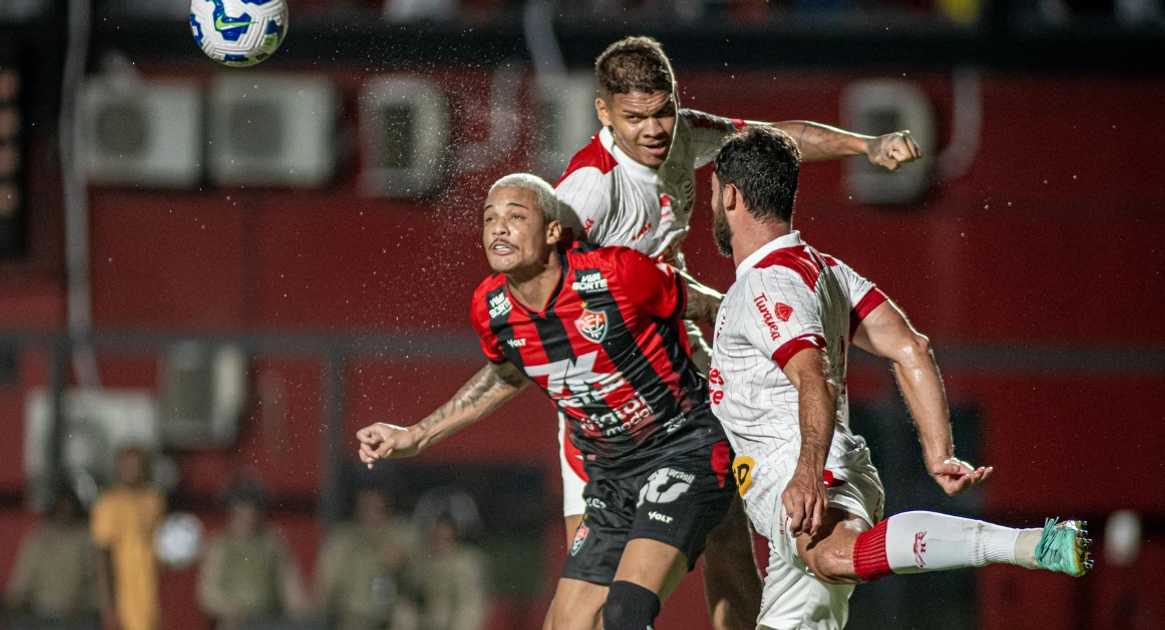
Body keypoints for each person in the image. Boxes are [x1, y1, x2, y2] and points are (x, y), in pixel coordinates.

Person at [552, 35, 923, 629]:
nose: (654, 130)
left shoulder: (682, 135)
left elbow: (776, 140)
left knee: (728, 526)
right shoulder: (589, 190)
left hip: (675, 370)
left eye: (663, 111)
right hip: (605, 396)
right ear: (603, 113)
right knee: (590, 596)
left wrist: (866, 144)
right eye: (635, 118)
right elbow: (555, 293)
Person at [705, 125, 1092, 630]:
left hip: (807, 482)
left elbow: (814, 377)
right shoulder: (824, 270)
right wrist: (939, 451)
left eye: (712, 191)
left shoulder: (766, 282)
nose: (708, 201)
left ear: (730, 195)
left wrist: (806, 472)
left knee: (833, 556)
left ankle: (1029, 544)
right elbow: (911, 346)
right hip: (812, 483)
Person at [358, 173, 733, 630]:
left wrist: (756, 383)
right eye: (490, 218)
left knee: (625, 611)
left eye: (516, 217)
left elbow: (715, 306)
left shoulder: (616, 274)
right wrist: (416, 434)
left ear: (553, 231)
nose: (499, 228)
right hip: (612, 478)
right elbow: (504, 377)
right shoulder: (491, 309)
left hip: (683, 453)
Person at [197, 479, 308, 630]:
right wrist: (227, 607)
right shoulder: (221, 545)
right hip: (235, 622)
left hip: (270, 620)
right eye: (240, 511)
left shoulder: (272, 543)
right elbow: (208, 592)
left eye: (252, 510)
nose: (247, 516)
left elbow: (289, 583)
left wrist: (298, 610)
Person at [316, 488, 414, 630]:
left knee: (406, 616)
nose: (372, 512)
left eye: (378, 506)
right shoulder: (343, 539)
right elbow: (324, 586)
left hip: (392, 618)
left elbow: (423, 577)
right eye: (366, 505)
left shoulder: (403, 535)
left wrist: (404, 565)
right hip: (353, 617)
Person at [91, 446, 165, 630]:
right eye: (127, 465)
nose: (132, 470)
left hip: (153, 594)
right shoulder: (108, 503)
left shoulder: (154, 499)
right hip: (124, 596)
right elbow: (103, 556)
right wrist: (109, 607)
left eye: (137, 465)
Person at [6, 489, 99, 627]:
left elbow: (98, 582)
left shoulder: (87, 540)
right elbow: (23, 580)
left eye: (70, 507)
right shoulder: (39, 540)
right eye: (61, 507)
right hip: (42, 614)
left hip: (79, 615)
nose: (65, 511)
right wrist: (15, 602)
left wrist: (86, 605)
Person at [392, 517, 489, 630]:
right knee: (403, 611)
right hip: (429, 619)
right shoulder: (424, 560)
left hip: (454, 619)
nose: (439, 542)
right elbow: (412, 588)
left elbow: (469, 605)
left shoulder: (464, 564)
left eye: (445, 538)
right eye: (436, 537)